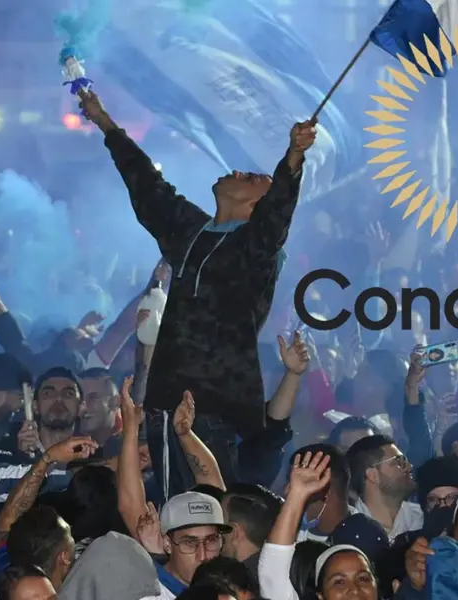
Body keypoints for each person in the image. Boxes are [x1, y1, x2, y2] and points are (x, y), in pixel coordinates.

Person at [79, 88, 317, 486]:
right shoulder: (191, 232)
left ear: (258, 204)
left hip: (214, 410)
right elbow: (147, 185)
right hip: (163, 404)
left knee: (206, 514)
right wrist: (104, 122)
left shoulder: (254, 249)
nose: (238, 173)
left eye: (253, 178)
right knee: (172, 515)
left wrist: (293, 158)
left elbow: (277, 217)